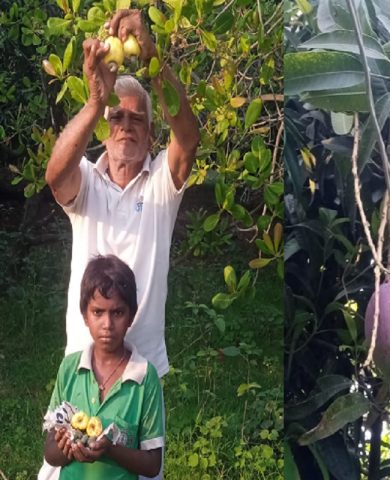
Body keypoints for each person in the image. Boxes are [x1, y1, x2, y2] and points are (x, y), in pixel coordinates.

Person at [40, 8, 199, 480]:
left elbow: (188, 140)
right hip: (82, 364)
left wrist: (153, 57)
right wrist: (94, 101)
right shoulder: (86, 180)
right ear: (104, 130)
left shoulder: (160, 186)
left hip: (140, 372)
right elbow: (54, 176)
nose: (126, 125)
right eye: (116, 117)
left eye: (137, 119)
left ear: (150, 132)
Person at [44, 254, 164, 479]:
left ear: (131, 316)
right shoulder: (70, 369)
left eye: (117, 312)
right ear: (85, 316)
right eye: (98, 312)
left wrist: (110, 450)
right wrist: (66, 447)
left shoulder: (144, 377)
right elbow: (50, 454)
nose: (107, 324)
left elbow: (152, 464)